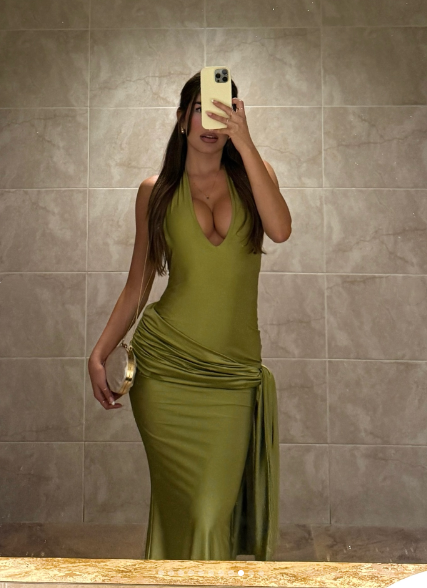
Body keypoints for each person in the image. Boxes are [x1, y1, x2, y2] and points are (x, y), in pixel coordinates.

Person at [88, 71, 292, 561]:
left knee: (210, 513)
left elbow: (281, 229)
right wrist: (99, 352)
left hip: (232, 375)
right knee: (188, 509)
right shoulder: (155, 190)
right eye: (201, 109)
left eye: (223, 110)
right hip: (165, 371)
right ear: (182, 119)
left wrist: (246, 143)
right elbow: (139, 283)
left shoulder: (256, 174)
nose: (210, 121)